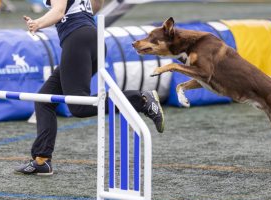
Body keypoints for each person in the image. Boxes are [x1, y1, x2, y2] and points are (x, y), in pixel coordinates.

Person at [14, 0, 164, 175]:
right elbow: (98, 3)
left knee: (79, 105)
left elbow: (59, 12)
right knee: (44, 99)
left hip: (77, 39)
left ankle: (141, 100)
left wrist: (37, 23)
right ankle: (42, 160)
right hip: (95, 39)